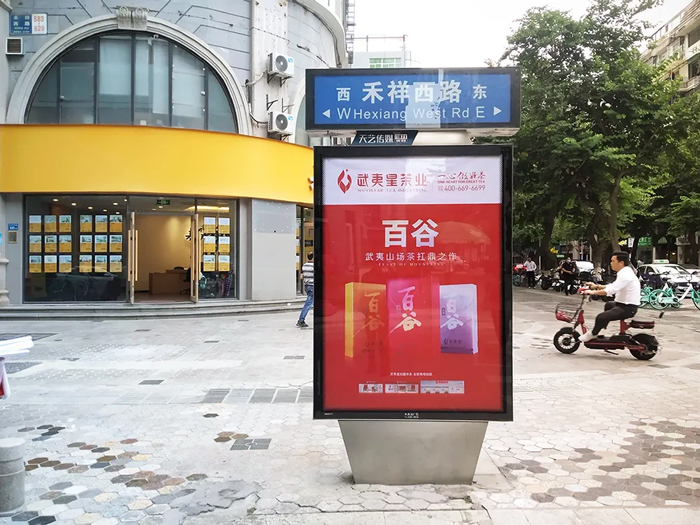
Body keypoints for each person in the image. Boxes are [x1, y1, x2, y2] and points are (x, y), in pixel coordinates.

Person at [579, 251, 640, 342]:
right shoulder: (624, 272)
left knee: (601, 317)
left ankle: (592, 334)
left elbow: (611, 290)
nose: (611, 263)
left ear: (621, 262)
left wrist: (592, 292)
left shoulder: (625, 275)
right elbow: (613, 285)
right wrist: (597, 286)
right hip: (622, 304)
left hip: (628, 307)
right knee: (609, 305)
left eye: (613, 261)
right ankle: (602, 325)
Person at [297, 252, 314, 328]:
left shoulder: (304, 265)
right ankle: (301, 320)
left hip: (307, 286)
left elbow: (301, 277)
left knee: (311, 302)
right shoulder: (313, 266)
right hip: (312, 286)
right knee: (308, 304)